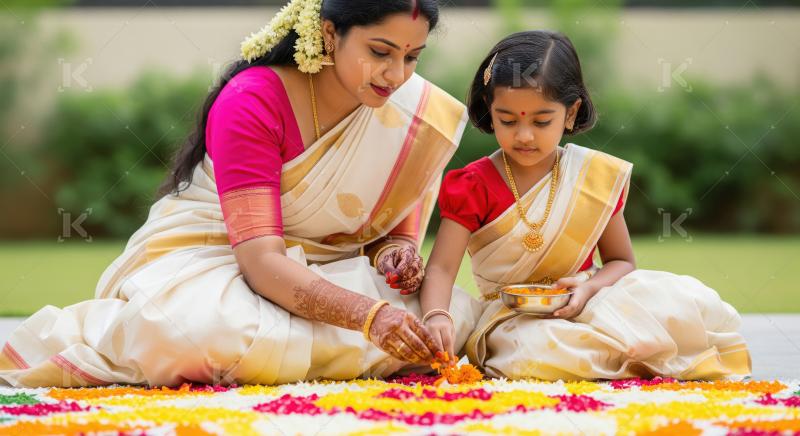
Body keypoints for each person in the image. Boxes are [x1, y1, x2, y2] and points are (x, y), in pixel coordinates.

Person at [0, 0, 482, 388]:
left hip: (329, 267)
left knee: (454, 316)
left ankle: (289, 352)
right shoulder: (254, 99)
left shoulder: (415, 114)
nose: (397, 76)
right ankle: (337, 350)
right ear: (331, 34)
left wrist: (396, 258)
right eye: (380, 52)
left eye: (411, 57)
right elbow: (260, 261)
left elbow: (389, 236)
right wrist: (369, 318)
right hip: (222, 258)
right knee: (188, 331)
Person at [419, 30, 751, 380]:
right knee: (537, 351)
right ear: (490, 110)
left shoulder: (592, 178)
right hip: (511, 316)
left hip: (589, 302)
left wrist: (588, 288)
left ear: (571, 112)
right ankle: (625, 356)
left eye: (541, 121)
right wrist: (437, 315)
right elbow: (440, 269)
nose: (524, 135)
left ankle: (623, 352)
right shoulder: (473, 184)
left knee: (686, 302)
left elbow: (622, 262)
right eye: (507, 120)